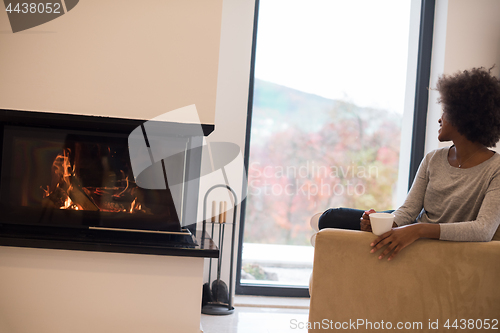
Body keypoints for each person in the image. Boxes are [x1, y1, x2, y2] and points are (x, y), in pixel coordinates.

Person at [318, 67, 500, 261]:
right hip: (411, 224)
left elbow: (483, 230)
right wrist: (385, 223)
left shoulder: (495, 169)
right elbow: (409, 211)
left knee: (332, 220)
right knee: (330, 218)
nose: (440, 119)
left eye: (445, 111)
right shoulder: (433, 158)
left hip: (421, 231)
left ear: (463, 116)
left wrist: (418, 230)